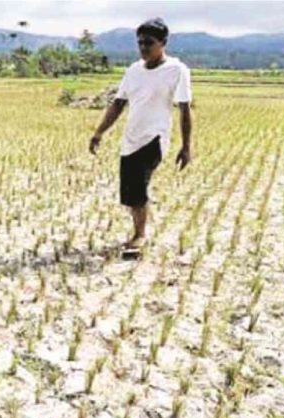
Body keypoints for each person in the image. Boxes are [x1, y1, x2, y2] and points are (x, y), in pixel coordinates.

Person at [89, 17, 192, 250]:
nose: (144, 48)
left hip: (155, 138)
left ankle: (140, 235)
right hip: (131, 139)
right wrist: (99, 133)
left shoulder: (176, 70)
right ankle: (138, 230)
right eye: (140, 43)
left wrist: (186, 146)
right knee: (129, 191)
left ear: (163, 43)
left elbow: (184, 109)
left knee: (138, 186)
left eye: (149, 42)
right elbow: (118, 104)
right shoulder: (133, 70)